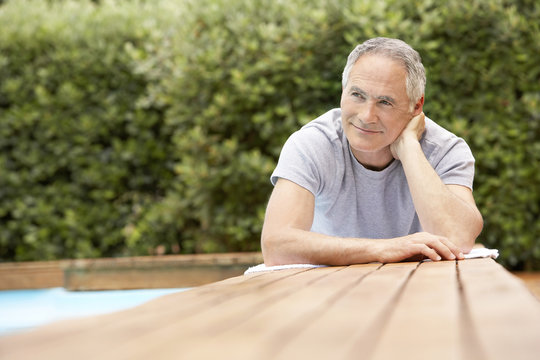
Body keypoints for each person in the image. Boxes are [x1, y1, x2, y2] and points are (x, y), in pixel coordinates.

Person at [261, 37, 483, 266]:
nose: (366, 116)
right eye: (357, 95)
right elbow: (276, 246)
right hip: (327, 288)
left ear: (416, 106)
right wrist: (384, 248)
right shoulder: (312, 144)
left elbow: (458, 238)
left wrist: (409, 149)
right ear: (343, 91)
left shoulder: (445, 149)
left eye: (385, 102)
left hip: (420, 287)